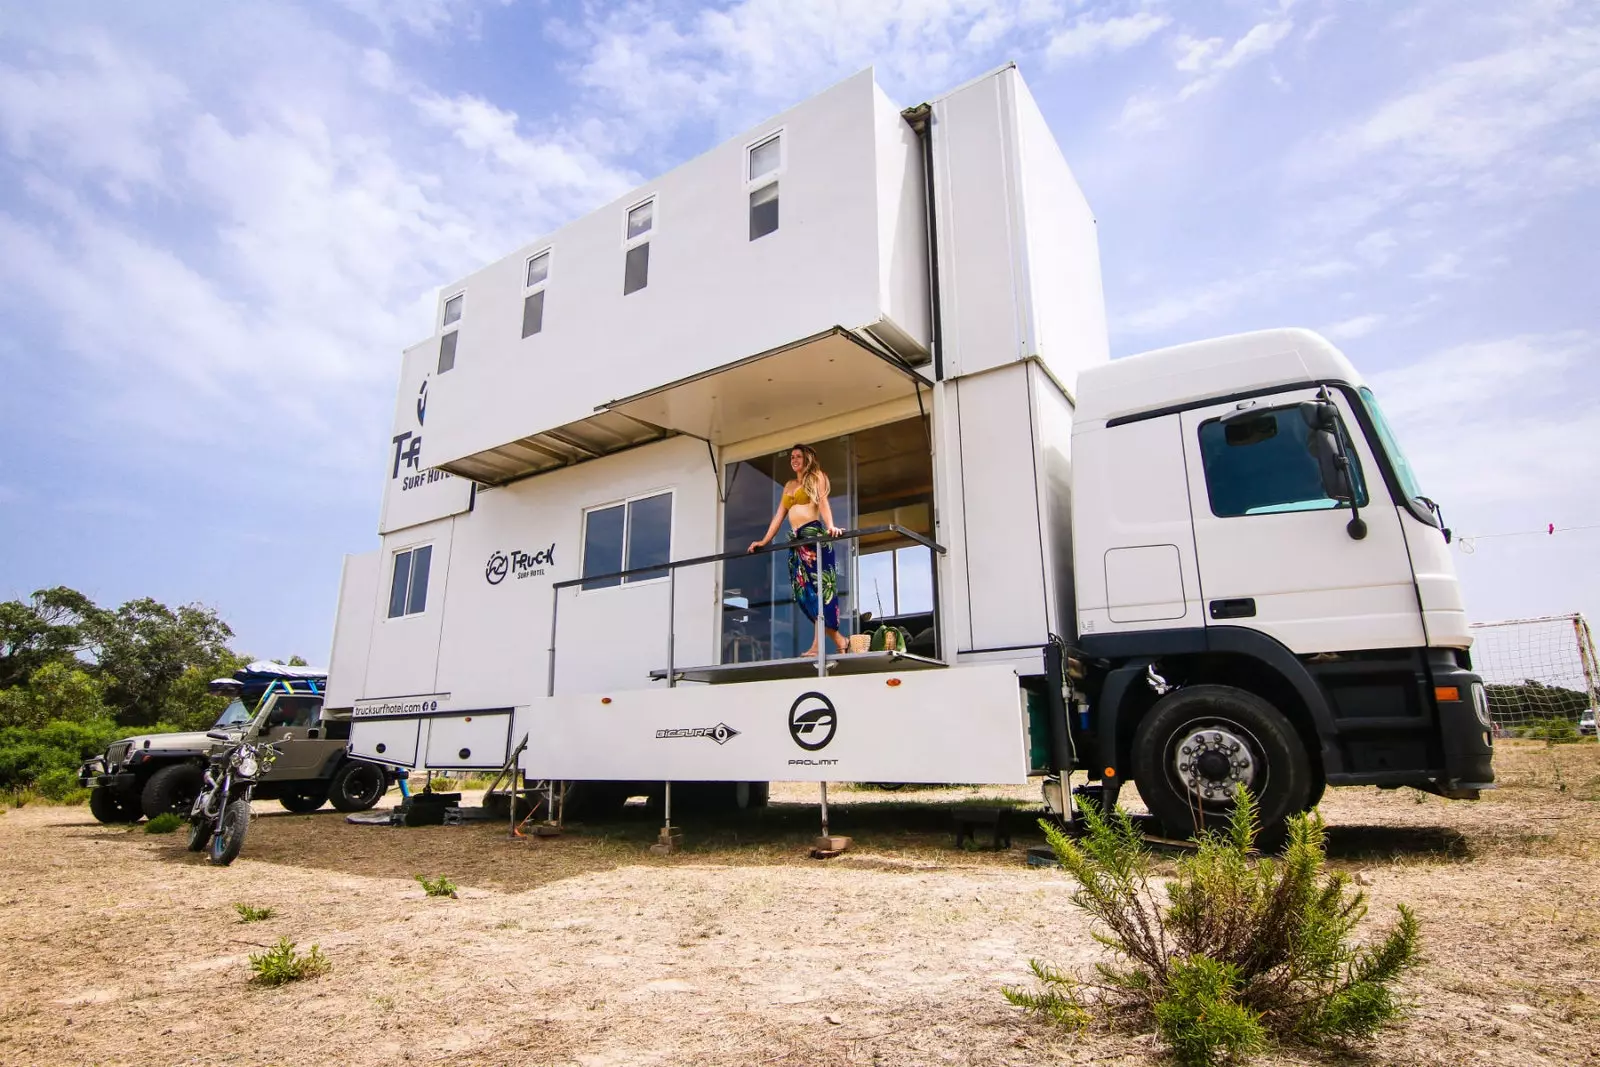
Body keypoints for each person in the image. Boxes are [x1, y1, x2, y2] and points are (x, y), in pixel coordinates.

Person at [748, 443, 849, 657]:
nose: (794, 460)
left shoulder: (816, 477)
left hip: (814, 538)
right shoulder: (788, 485)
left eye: (798, 456)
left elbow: (823, 502)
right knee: (805, 595)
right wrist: (764, 541)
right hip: (796, 543)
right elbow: (778, 516)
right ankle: (840, 640)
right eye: (791, 457)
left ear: (807, 459)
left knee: (820, 593)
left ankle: (817, 645)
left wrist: (830, 526)